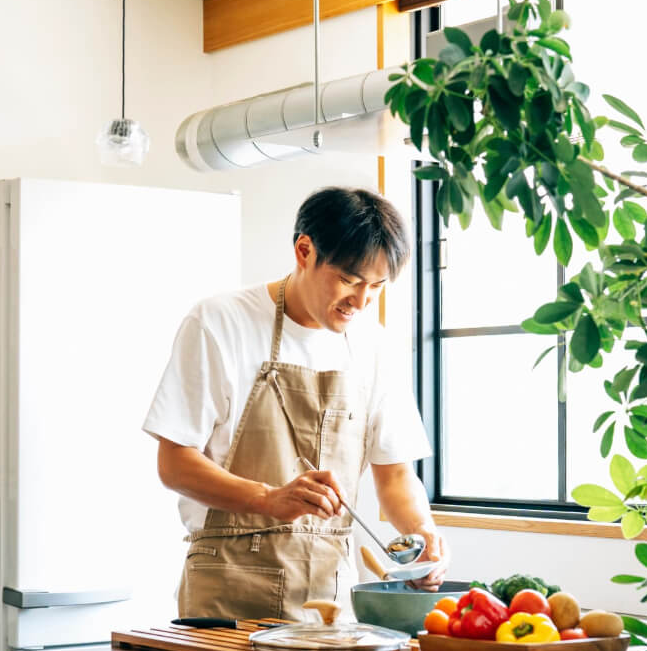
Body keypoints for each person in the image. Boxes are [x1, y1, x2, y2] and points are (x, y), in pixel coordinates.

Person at [143, 186, 447, 622]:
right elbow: (174, 464)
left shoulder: (375, 346)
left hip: (329, 600)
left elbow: (396, 475)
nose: (361, 302)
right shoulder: (219, 321)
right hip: (224, 594)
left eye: (377, 287)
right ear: (304, 250)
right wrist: (267, 498)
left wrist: (423, 535)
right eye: (349, 280)